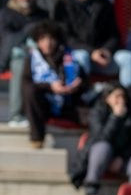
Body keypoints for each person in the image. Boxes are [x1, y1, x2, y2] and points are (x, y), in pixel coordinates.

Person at [71, 83, 131, 195]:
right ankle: (91, 186)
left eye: (123, 96)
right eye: (117, 96)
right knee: (103, 148)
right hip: (99, 156)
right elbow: (102, 137)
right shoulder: (97, 113)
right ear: (107, 98)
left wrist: (121, 158)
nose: (121, 100)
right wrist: (115, 117)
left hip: (121, 158)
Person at [22, 20, 85, 149]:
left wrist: (76, 86)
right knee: (30, 91)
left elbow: (84, 81)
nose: (48, 43)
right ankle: (37, 138)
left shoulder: (69, 57)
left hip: (68, 104)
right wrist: (50, 86)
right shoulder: (32, 58)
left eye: (51, 39)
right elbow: (26, 83)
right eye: (43, 39)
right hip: (44, 106)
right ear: (37, 42)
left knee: (94, 115)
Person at [51, 0, 131, 88]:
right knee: (82, 56)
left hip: (102, 58)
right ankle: (83, 96)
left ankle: (128, 95)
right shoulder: (63, 5)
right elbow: (65, 37)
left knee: (128, 57)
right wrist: (91, 52)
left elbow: (114, 35)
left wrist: (106, 50)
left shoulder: (104, 4)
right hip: (75, 56)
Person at [0, 0, 49, 127]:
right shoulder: (5, 14)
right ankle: (16, 115)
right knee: (21, 62)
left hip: (42, 58)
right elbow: (7, 40)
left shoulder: (42, 15)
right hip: (12, 59)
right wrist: (28, 30)